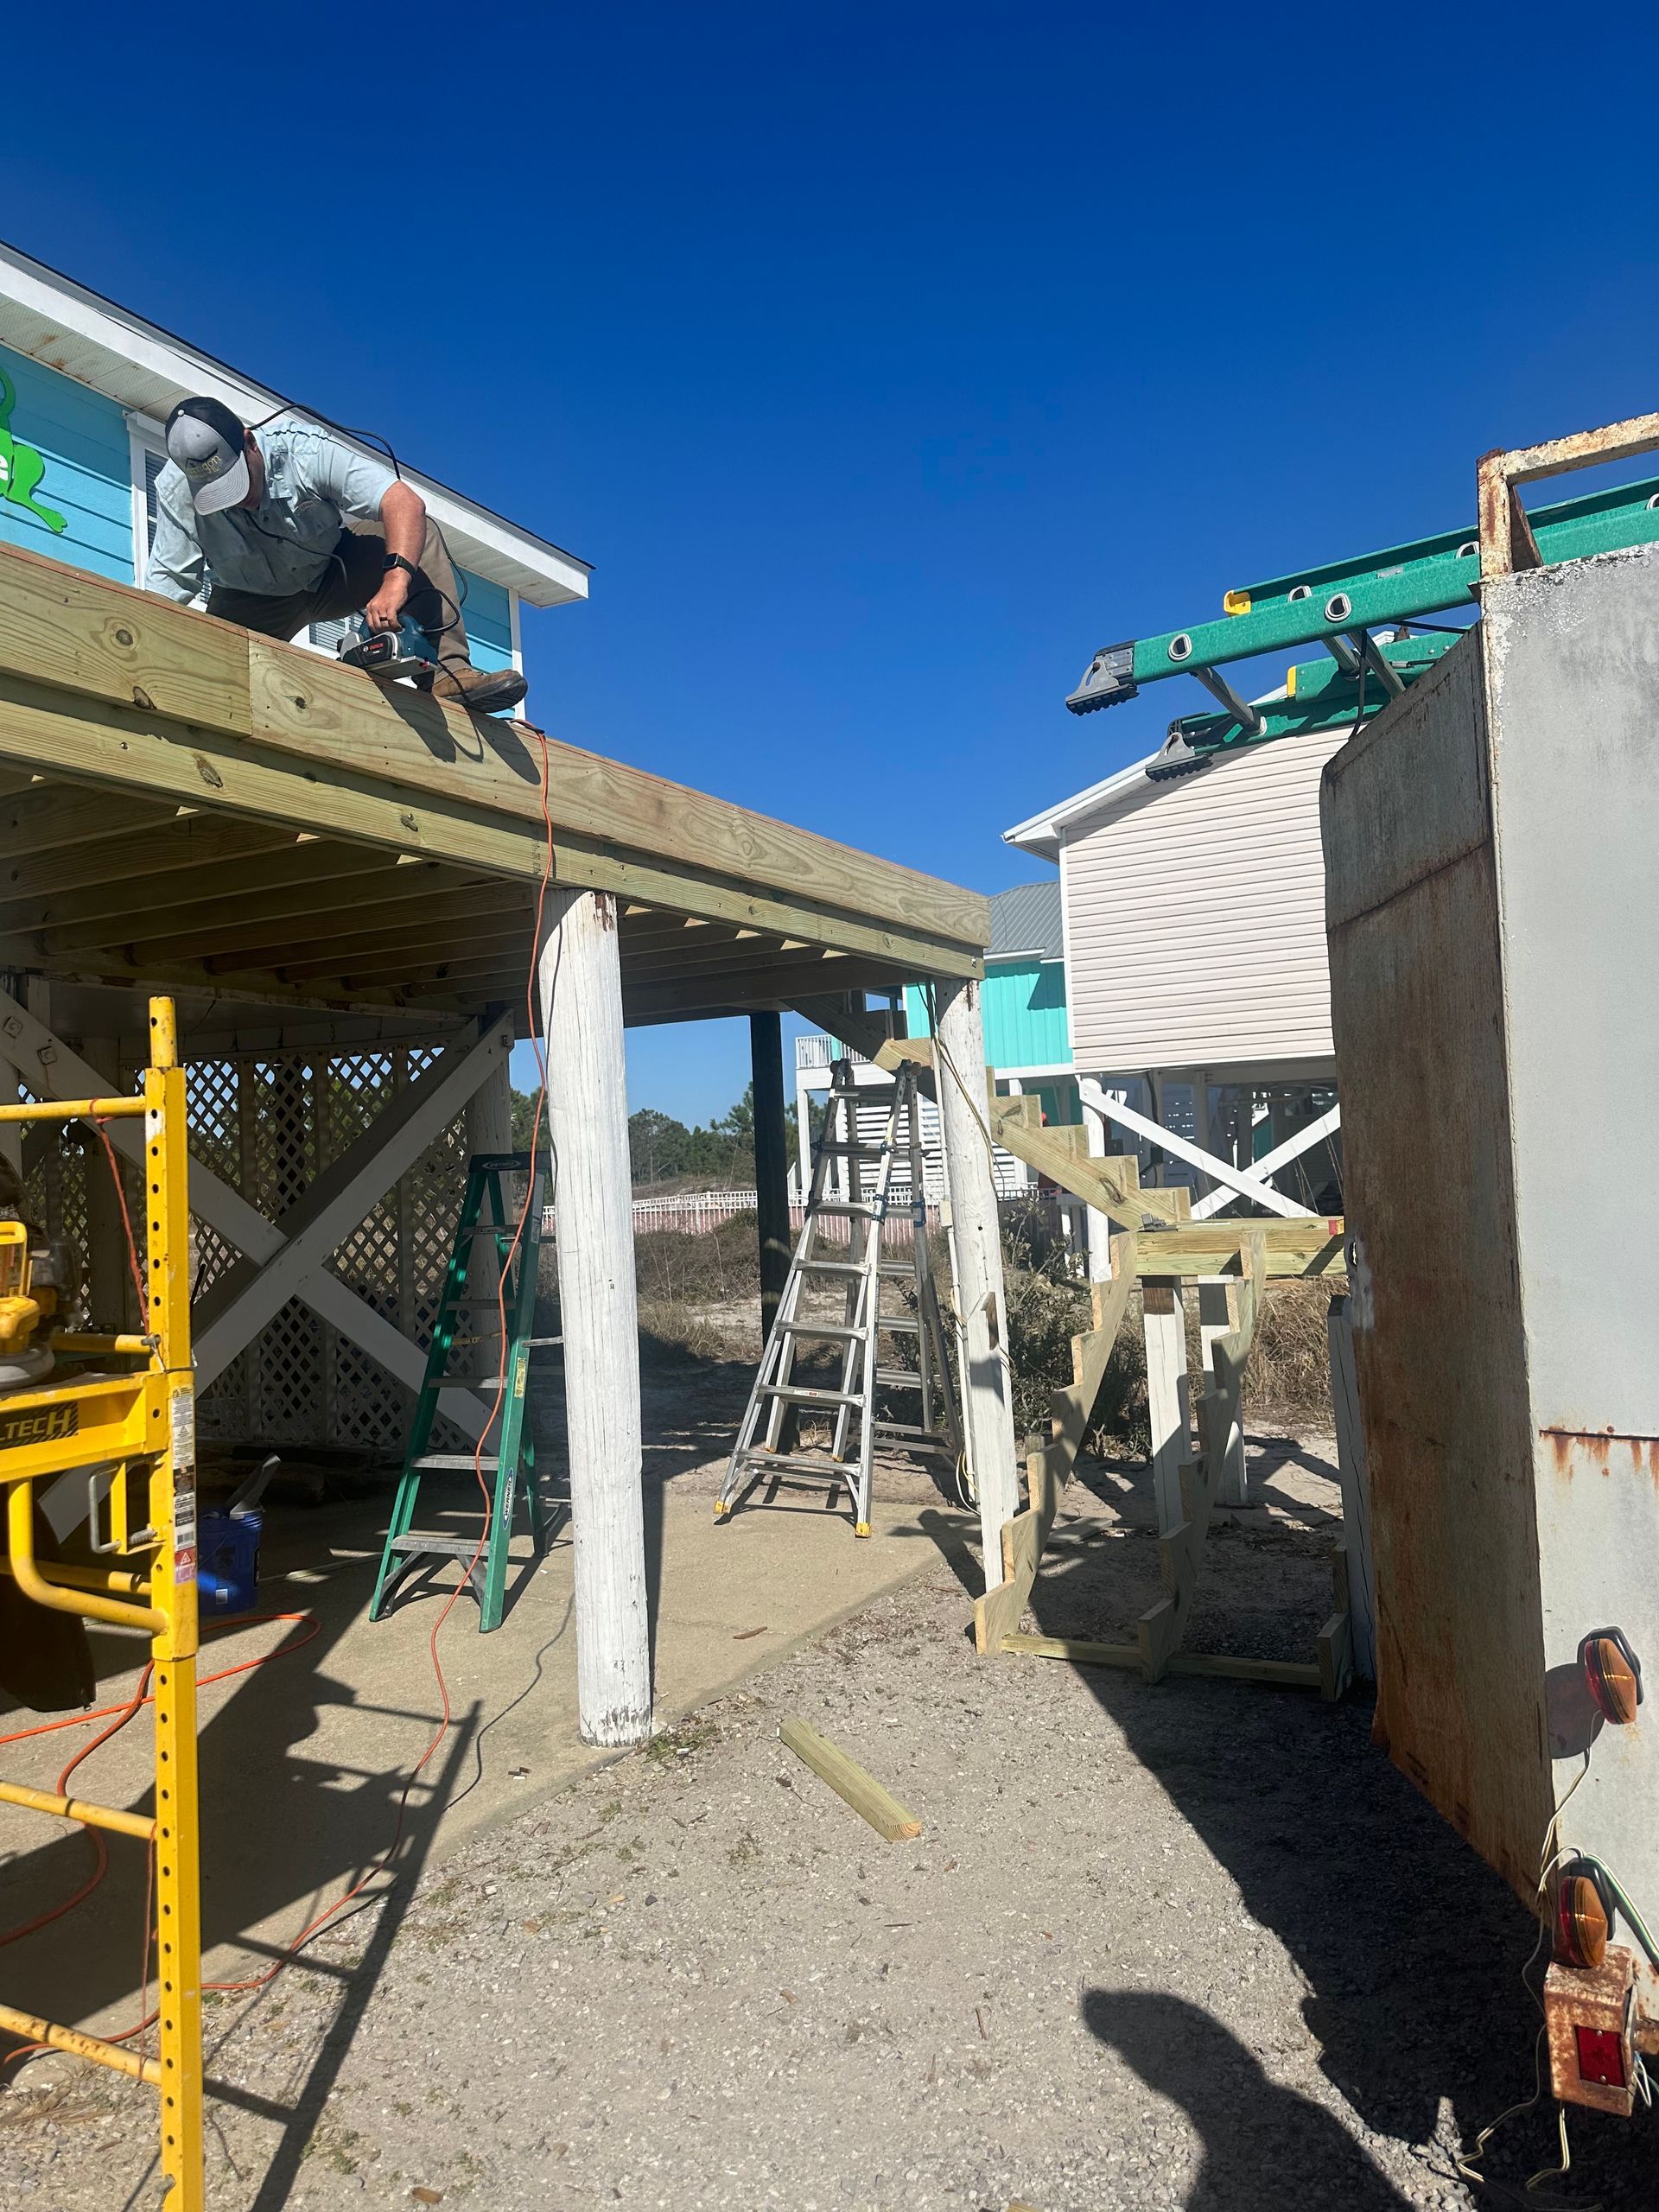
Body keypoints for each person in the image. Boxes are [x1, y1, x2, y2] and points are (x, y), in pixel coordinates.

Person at [147, 395, 528, 715]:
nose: (240, 500)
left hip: (333, 570)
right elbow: (168, 583)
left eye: (237, 481)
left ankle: (449, 674)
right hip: (250, 600)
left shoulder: (303, 449)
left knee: (416, 537)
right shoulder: (176, 490)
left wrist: (395, 581)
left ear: (249, 443)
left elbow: (403, 502)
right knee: (209, 691)